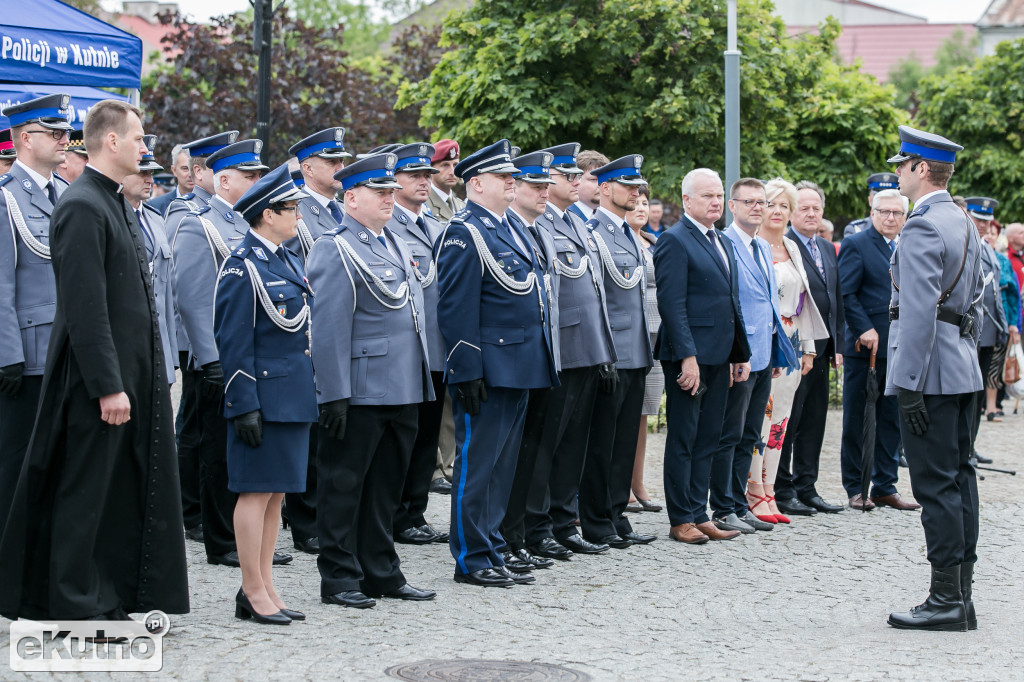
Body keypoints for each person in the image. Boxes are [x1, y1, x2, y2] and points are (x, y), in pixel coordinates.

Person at [0, 99, 189, 621]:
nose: (145, 148)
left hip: (129, 377)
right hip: (93, 384)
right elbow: (85, 309)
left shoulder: (111, 202)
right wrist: (109, 385)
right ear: (111, 141)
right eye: (138, 138)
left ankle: (107, 593)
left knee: (115, 495)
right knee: (84, 495)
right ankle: (74, 599)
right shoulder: (83, 205)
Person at [308, 152, 436, 608]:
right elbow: (327, 329)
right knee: (344, 486)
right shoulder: (334, 245)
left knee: (386, 487)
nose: (389, 198)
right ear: (352, 196)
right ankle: (340, 576)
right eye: (379, 192)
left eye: (389, 191)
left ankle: (381, 570)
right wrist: (333, 393)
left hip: (402, 385)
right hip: (360, 389)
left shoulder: (394, 242)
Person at [435, 139, 559, 587]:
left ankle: (491, 547)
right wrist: (466, 370)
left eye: (513, 176)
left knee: (502, 465)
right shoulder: (464, 231)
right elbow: (455, 308)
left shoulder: (509, 228)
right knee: (478, 465)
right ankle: (471, 557)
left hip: (521, 362)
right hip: (488, 368)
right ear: (477, 183)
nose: (513, 182)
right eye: (503, 177)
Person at [885, 125, 984, 632]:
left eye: (903, 165)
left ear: (921, 169)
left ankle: (945, 599)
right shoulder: (963, 220)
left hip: (931, 373)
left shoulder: (923, 225)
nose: (897, 173)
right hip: (960, 367)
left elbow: (919, 312)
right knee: (960, 478)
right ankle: (961, 595)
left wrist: (908, 384)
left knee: (935, 485)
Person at [174, 138, 286, 568]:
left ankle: (247, 538)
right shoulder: (198, 223)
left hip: (254, 355)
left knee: (245, 450)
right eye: (250, 176)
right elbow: (193, 297)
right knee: (217, 449)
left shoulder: (248, 224)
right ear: (223, 180)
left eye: (259, 174)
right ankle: (221, 540)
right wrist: (211, 359)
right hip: (221, 359)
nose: (258, 181)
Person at [214, 163, 316, 625]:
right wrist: (243, 404)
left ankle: (267, 585)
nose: (298, 215)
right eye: (291, 208)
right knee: (255, 494)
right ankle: (251, 590)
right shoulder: (242, 266)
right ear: (267, 214)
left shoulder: (285, 257)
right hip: (262, 397)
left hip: (291, 394)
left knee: (277, 496)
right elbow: (233, 341)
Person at [523, 143, 618, 561]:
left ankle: (564, 522)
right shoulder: (540, 222)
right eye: (568, 176)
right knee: (546, 445)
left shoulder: (577, 223)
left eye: (575, 175)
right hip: (561, 347)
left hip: (586, 347)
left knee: (572, 444)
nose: (576, 181)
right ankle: (536, 526)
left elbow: (593, 288)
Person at [654, 167, 751, 544]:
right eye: (707, 195)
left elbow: (730, 302)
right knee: (685, 436)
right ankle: (681, 518)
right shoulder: (675, 241)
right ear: (687, 201)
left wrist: (736, 353)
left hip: (719, 354)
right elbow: (672, 305)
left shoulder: (720, 240)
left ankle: (700, 512)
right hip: (689, 356)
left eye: (718, 195)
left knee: (710, 435)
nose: (715, 201)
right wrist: (687, 358)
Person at [0, 94, 72, 530]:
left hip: (66, 348)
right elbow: (1, 284)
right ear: (26, 138)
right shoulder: (6, 199)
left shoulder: (66, 193)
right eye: (55, 133)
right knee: (17, 465)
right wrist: (8, 355)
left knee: (58, 464)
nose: (66, 139)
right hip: (28, 356)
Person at [578, 155, 657, 549]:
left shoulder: (626, 232)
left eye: (637, 185)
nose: (635, 192)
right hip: (611, 350)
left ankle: (615, 513)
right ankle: (595, 520)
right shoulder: (593, 232)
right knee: (602, 440)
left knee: (625, 439)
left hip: (636, 349)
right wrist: (603, 352)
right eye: (627, 185)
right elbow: (595, 298)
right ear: (605, 188)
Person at [711, 178, 798, 534]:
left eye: (761, 202)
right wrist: (736, 352)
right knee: (730, 432)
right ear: (732, 206)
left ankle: (739, 502)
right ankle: (722, 505)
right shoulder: (725, 243)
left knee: (750, 434)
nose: (758, 208)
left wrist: (779, 349)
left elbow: (770, 306)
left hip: (764, 353)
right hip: (741, 355)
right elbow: (729, 305)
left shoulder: (762, 246)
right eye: (749, 202)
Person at [165, 131, 237, 544]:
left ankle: (204, 512)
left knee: (209, 429)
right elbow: (187, 286)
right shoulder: (186, 213)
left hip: (223, 339)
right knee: (194, 428)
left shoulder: (231, 215)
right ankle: (190, 511)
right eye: (213, 166)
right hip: (199, 342)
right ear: (199, 172)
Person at [749, 178, 829, 524]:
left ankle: (770, 488)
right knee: (760, 419)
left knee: (782, 419)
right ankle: (752, 489)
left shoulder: (793, 249)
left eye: (785, 205)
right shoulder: (753, 247)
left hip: (794, 341)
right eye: (771, 203)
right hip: (766, 340)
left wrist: (809, 347)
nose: (778, 211)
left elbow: (804, 301)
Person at [500, 149, 563, 573]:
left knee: (533, 452)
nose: (544, 192)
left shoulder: (532, 231)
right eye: (535, 186)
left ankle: (518, 534)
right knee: (512, 455)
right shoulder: (506, 230)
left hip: (541, 355)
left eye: (546, 185)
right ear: (514, 188)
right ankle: (505, 535)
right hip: (513, 357)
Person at [838, 189, 919, 511]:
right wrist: (863, 328)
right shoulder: (856, 244)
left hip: (901, 347)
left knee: (891, 420)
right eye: (884, 212)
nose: (890, 218)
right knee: (859, 419)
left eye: (897, 213)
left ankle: (885, 485)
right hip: (866, 347)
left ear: (904, 217)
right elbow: (847, 293)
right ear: (872, 213)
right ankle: (856, 488)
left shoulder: (909, 245)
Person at [386, 143, 451, 547]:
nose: (424, 182)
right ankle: (394, 514)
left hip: (437, 348)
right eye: (415, 176)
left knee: (427, 438)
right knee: (402, 438)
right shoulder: (386, 224)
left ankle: (415, 511)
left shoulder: (435, 225)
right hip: (407, 349)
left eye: (427, 176)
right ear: (394, 182)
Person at [775, 180, 845, 516]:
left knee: (815, 419)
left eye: (816, 208)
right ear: (791, 213)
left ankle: (807, 485)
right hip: (795, 345)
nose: (812, 213)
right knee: (790, 417)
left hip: (823, 346)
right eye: (804, 208)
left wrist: (838, 343)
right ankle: (782, 487)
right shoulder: (784, 246)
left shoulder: (828, 249)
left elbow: (836, 298)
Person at [122, 135, 177, 387]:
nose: (149, 179)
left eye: (151, 173)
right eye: (142, 172)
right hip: (127, 346)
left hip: (157, 344)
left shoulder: (154, 219)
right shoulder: (110, 217)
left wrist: (170, 353)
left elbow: (164, 293)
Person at [426, 138, 462, 496]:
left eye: (454, 166)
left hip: (452, 307)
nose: (451, 171)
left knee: (451, 399)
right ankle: (435, 466)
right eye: (445, 166)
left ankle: (448, 463)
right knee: (435, 395)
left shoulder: (461, 205)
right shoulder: (429, 207)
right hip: (435, 307)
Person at [625, 185, 664, 513]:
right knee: (624, 413)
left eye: (645, 202)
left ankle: (636, 481)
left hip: (655, 336)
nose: (641, 207)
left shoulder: (653, 242)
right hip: (631, 335)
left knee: (643, 414)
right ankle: (621, 484)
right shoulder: (617, 238)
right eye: (635, 201)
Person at [965, 197, 1014, 427]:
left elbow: (995, 292)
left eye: (986, 221)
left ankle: (970, 450)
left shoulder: (987, 248)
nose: (982, 225)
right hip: (973, 329)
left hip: (990, 330)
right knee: (968, 395)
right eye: (978, 219)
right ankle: (964, 451)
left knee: (979, 393)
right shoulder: (966, 243)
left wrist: (1002, 326)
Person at [287, 127, 350, 259]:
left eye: (341, 161)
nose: (340, 168)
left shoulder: (345, 210)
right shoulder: (294, 213)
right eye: (331, 162)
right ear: (308, 169)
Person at [842, 172, 899, 237]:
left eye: (889, 198)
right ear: (870, 201)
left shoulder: (905, 230)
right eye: (879, 198)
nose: (885, 203)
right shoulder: (856, 229)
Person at [147, 143, 193, 214]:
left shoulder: (211, 203)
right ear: (174, 170)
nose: (190, 174)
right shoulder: (155, 206)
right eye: (185, 168)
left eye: (194, 169)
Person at [568, 150, 608, 221]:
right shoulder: (567, 218)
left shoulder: (607, 217)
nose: (601, 185)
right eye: (593, 180)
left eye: (605, 180)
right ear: (576, 179)